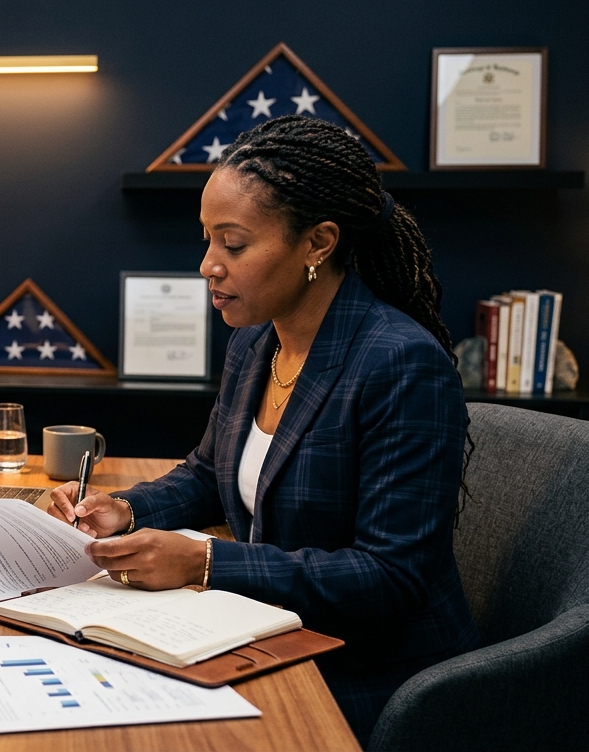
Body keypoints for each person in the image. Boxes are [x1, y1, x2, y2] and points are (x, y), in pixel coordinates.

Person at [47, 115, 478, 744]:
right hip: (267, 639)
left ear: (318, 244)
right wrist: (122, 509)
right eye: (207, 241)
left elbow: (388, 577)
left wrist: (206, 562)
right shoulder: (256, 344)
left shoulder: (401, 363)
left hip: (371, 678)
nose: (208, 267)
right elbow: (207, 473)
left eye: (234, 244)